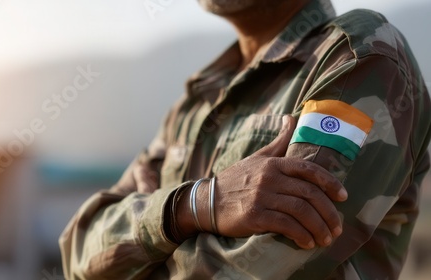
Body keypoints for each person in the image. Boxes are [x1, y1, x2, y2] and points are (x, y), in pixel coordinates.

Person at [59, 0, 431, 279]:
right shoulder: (199, 99)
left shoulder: (360, 54)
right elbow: (77, 248)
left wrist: (137, 249)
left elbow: (265, 266)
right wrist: (192, 205)